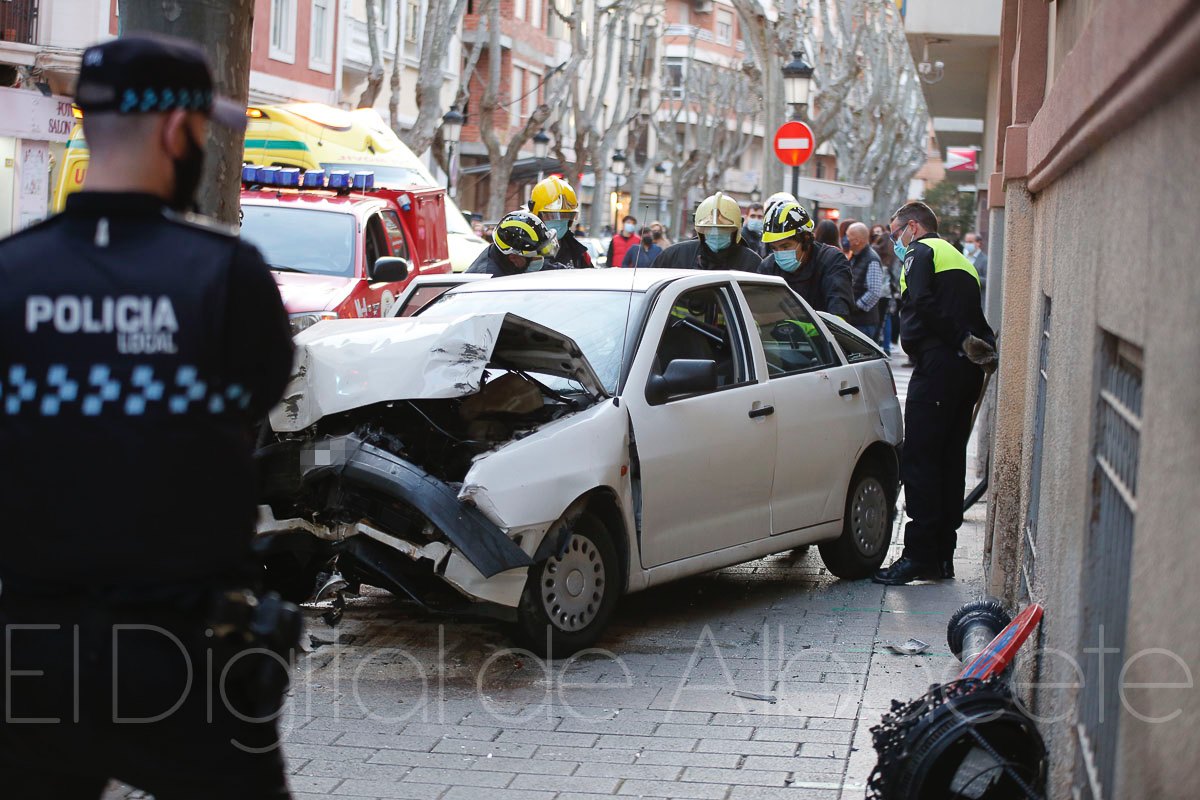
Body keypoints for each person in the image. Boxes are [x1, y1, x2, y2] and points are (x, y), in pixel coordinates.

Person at [0, 34, 296, 797]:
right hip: (180, 655)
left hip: (25, 653)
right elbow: (254, 406)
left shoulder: (9, 274)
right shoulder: (227, 276)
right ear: (177, 131)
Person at [873, 201, 997, 586]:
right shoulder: (958, 258)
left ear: (913, 226)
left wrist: (961, 341)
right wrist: (974, 346)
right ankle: (943, 555)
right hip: (964, 374)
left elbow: (923, 303)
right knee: (948, 460)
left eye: (896, 233)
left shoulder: (921, 251)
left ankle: (918, 556)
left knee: (922, 459)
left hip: (940, 366)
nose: (895, 241)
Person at [757, 200, 853, 316]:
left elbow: (839, 311)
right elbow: (759, 310)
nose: (780, 253)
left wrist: (812, 328)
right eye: (774, 248)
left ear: (806, 239)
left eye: (785, 246)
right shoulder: (768, 267)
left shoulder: (831, 261)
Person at [651, 192, 762, 271]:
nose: (716, 233)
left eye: (723, 228)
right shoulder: (674, 256)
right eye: (709, 228)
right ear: (699, 229)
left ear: (736, 228)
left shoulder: (752, 263)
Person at [466, 208, 564, 276]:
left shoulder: (510, 263)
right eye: (536, 256)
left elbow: (547, 268)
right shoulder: (491, 284)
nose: (540, 260)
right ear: (513, 258)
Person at [529, 175, 592, 269]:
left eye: (565, 216)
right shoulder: (522, 250)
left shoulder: (579, 254)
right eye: (551, 216)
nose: (559, 221)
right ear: (536, 216)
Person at [845, 222, 886, 339]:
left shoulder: (871, 259)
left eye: (848, 236)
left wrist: (854, 307)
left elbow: (874, 291)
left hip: (864, 323)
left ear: (857, 240)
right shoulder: (855, 256)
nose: (846, 240)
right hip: (856, 321)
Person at [872, 229, 901, 356]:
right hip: (888, 292)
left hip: (876, 291)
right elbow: (897, 275)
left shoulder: (874, 252)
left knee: (876, 320)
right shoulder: (894, 255)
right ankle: (886, 346)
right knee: (886, 319)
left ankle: (876, 344)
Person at [964, 231, 988, 296]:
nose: (967, 244)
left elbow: (988, 281)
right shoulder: (963, 258)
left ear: (978, 243)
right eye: (966, 242)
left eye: (970, 242)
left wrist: (971, 277)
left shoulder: (985, 260)